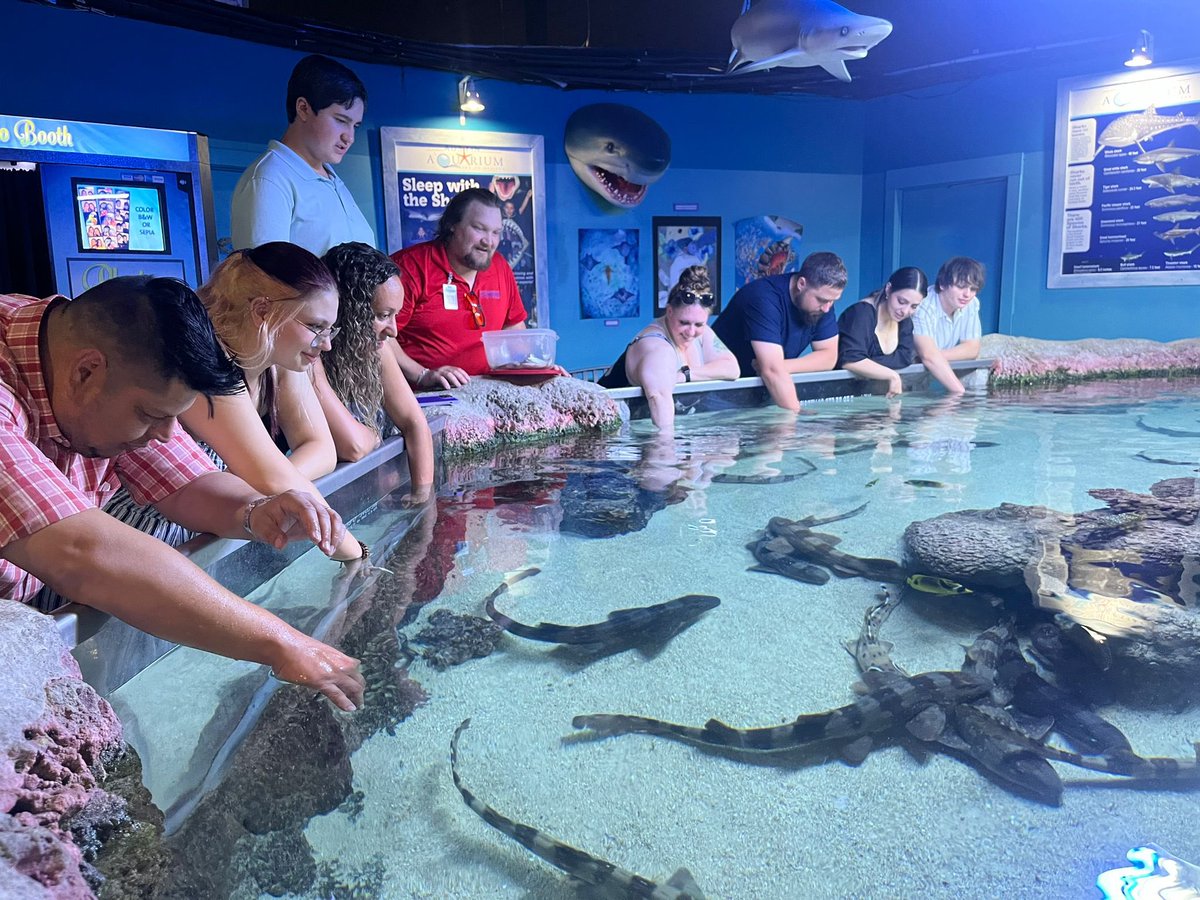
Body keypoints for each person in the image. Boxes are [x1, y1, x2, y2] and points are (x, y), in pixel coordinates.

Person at [0, 276, 365, 711]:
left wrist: (258, 510)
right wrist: (280, 643)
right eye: (152, 414)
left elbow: (187, 482)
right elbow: (83, 553)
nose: (166, 434)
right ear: (86, 371)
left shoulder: (92, 356)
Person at [97, 242, 367, 565]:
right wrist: (358, 556)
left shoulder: (278, 356)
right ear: (263, 312)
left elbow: (321, 450)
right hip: (138, 532)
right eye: (315, 327)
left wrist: (267, 488)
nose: (326, 345)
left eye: (330, 329)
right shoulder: (205, 358)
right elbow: (273, 477)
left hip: (211, 523)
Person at [316, 242, 435, 496]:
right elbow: (353, 447)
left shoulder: (377, 349)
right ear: (349, 312)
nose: (394, 330)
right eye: (382, 315)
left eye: (395, 315)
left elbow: (415, 423)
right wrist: (373, 436)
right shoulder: (308, 357)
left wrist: (423, 501)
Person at [230, 54, 375, 257]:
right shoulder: (270, 179)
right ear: (303, 108)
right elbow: (264, 282)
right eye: (341, 120)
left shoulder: (332, 179)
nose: (349, 137)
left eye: (355, 125)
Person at [389, 188, 527, 389]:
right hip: (423, 394)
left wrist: (536, 369)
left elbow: (513, 328)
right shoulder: (409, 267)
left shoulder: (500, 266)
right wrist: (422, 375)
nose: (488, 242)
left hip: (488, 389)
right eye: (479, 228)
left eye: (496, 232)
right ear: (452, 225)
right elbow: (380, 335)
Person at [599, 265, 738, 431]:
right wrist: (667, 451)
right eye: (684, 323)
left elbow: (732, 369)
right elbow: (660, 403)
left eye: (699, 324)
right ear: (670, 311)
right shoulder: (657, 347)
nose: (691, 332)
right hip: (610, 433)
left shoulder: (702, 334)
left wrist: (687, 375)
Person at [711, 251, 846, 412]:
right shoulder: (763, 298)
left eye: (832, 301)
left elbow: (828, 358)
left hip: (764, 389)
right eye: (822, 300)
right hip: (719, 390)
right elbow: (772, 371)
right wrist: (798, 415)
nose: (827, 308)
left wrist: (781, 366)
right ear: (801, 284)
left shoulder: (823, 305)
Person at [837, 266, 928, 398]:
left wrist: (867, 362)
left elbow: (905, 358)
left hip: (878, 396)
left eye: (913, 306)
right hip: (844, 397)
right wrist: (892, 375)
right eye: (902, 301)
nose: (905, 311)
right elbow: (850, 359)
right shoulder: (861, 314)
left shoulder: (905, 322)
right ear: (888, 289)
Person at [911, 256, 985, 395]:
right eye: (961, 286)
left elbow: (972, 349)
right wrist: (959, 393)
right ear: (943, 284)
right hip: (895, 373)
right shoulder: (924, 305)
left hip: (926, 371)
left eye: (973, 289)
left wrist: (934, 355)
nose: (967, 294)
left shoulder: (971, 303)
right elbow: (928, 357)